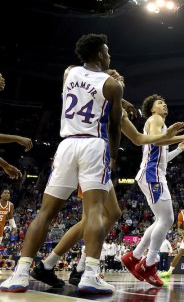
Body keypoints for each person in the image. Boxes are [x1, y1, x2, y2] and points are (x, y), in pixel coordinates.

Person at [1, 33, 123, 294]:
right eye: (108, 52)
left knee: (45, 212)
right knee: (93, 213)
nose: (110, 55)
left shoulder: (68, 73)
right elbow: (114, 126)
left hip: (67, 144)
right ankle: (90, 274)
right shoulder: (112, 85)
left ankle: (20, 273)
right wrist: (112, 156)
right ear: (101, 55)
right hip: (93, 145)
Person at [30, 102, 184, 288]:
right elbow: (138, 138)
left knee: (106, 215)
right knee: (90, 218)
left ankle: (69, 268)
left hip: (91, 155)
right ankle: (81, 270)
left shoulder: (108, 102)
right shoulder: (111, 98)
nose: (165, 105)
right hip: (91, 154)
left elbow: (138, 139)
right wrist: (175, 137)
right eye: (117, 79)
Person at [121, 94, 184, 287]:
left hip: (153, 173)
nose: (165, 105)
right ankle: (149, 264)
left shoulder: (159, 124)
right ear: (152, 109)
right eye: (160, 102)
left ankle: (133, 257)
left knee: (161, 220)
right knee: (167, 219)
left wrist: (178, 149)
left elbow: (161, 158)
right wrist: (182, 136)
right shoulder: (155, 120)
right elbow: (156, 142)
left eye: (165, 102)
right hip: (152, 175)